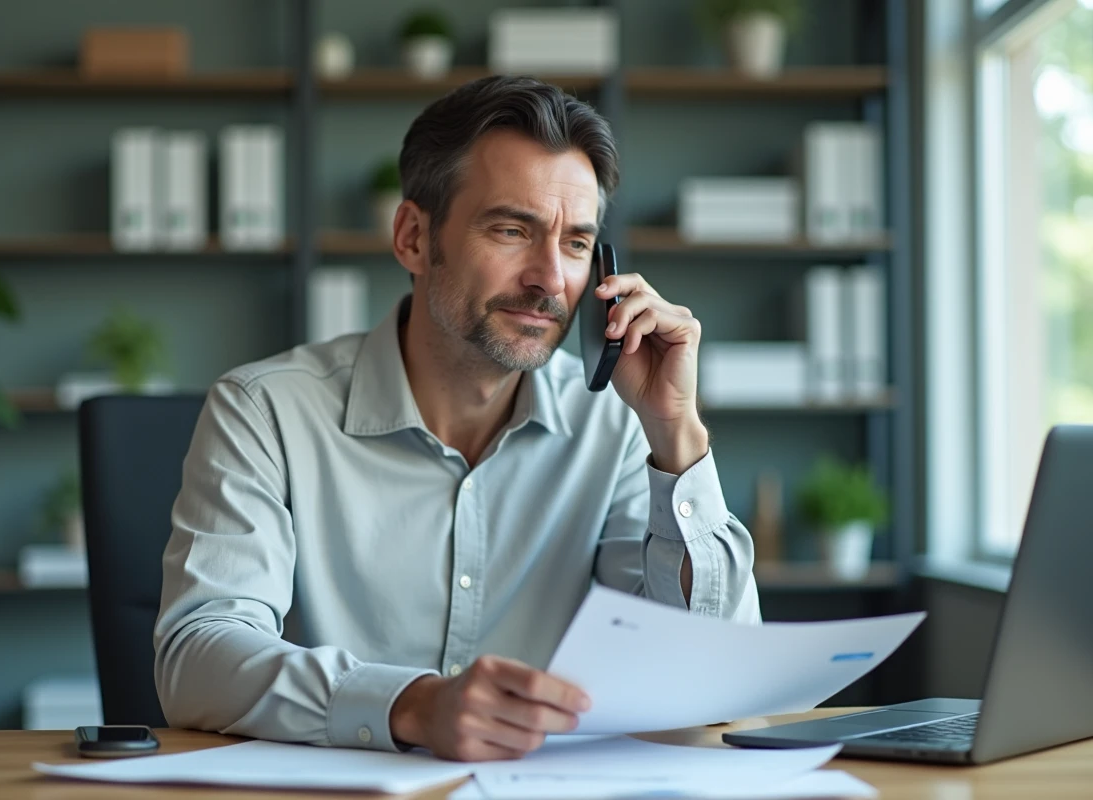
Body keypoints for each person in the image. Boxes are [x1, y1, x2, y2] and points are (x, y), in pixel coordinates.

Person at [154, 75, 760, 763]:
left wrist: (676, 430)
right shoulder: (264, 411)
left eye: (575, 244)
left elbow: (715, 672)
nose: (549, 279)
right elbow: (196, 658)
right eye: (512, 230)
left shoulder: (618, 424)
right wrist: (411, 706)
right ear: (413, 237)